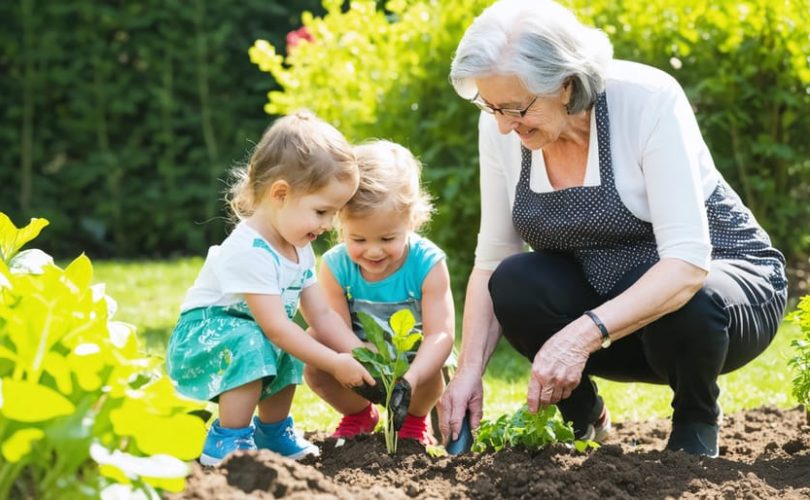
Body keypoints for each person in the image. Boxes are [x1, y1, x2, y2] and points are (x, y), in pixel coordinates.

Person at [437, 0, 788, 458]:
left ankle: (695, 423)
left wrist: (580, 334)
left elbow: (686, 264)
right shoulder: (504, 124)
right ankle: (584, 419)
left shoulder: (646, 99)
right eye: (492, 107)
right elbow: (493, 259)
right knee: (515, 282)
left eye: (516, 109)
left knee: (688, 300)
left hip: (715, 303)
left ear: (565, 85)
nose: (504, 125)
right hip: (610, 316)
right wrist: (469, 373)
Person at [166, 110, 376, 466]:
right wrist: (334, 363)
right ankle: (227, 438)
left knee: (294, 345)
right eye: (322, 211)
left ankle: (273, 430)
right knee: (260, 340)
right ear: (280, 193)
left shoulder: (298, 248)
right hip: (204, 338)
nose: (328, 225)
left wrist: (355, 352)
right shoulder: (250, 250)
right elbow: (275, 328)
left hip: (251, 335)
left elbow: (321, 314)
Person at [305, 140, 455, 445]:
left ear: (411, 221)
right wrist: (365, 356)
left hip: (415, 362)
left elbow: (441, 334)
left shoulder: (427, 263)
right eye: (358, 239)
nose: (373, 251)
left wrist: (409, 380)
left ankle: (414, 420)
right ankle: (359, 414)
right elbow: (334, 327)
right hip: (359, 356)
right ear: (340, 224)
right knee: (314, 346)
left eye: (387, 238)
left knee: (431, 360)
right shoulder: (336, 266)